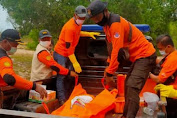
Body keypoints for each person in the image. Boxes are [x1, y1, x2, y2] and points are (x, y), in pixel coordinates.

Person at [87, 0, 156, 117]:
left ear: (105, 12)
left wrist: (109, 73)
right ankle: (125, 115)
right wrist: (108, 67)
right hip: (139, 58)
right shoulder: (106, 26)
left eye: (97, 17)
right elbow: (111, 49)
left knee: (132, 86)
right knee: (127, 86)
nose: (97, 21)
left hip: (146, 55)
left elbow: (117, 51)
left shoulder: (115, 24)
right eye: (93, 19)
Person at [53, 5, 100, 105]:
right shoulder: (69, 27)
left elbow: (77, 33)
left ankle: (69, 96)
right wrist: (75, 62)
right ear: (75, 15)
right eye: (80, 18)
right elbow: (69, 49)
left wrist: (88, 34)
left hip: (69, 54)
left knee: (70, 76)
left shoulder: (77, 24)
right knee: (62, 75)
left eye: (84, 18)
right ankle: (62, 99)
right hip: (61, 53)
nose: (82, 19)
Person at [0, 29, 47, 99]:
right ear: (5, 41)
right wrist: (34, 86)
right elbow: (9, 78)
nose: (16, 47)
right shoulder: (3, 58)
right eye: (15, 44)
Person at [149, 34, 177, 118]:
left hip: (173, 95)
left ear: (168, 46)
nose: (160, 51)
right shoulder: (171, 56)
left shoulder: (172, 60)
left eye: (161, 49)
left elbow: (159, 79)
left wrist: (149, 74)